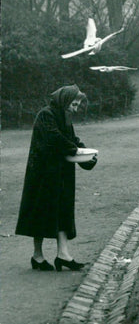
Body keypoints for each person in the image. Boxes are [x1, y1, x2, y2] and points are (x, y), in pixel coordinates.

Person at [15, 85, 98, 271]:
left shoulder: (64, 117)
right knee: (41, 211)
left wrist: (87, 157)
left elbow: (72, 140)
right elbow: (54, 139)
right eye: (74, 104)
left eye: (77, 105)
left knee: (63, 210)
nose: (75, 108)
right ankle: (37, 256)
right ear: (65, 100)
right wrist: (77, 151)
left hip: (61, 173)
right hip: (43, 174)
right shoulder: (46, 115)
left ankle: (63, 255)